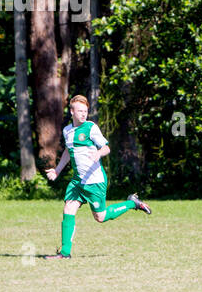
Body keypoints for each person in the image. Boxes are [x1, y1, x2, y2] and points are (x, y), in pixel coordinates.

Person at [45, 95, 151, 258]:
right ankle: (65, 253)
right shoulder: (67, 131)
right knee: (68, 209)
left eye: (85, 111)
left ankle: (132, 203)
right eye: (80, 111)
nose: (83, 114)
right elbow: (68, 151)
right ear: (72, 111)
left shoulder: (91, 128)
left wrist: (98, 153)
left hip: (94, 181)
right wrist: (57, 170)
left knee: (100, 217)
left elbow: (106, 148)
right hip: (77, 181)